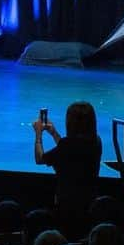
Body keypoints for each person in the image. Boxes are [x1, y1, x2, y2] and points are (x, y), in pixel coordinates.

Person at [32, 101, 102, 238]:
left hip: (67, 206)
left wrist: (38, 134)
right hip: (90, 203)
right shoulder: (96, 141)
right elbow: (67, 150)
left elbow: (40, 159)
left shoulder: (67, 146)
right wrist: (53, 133)